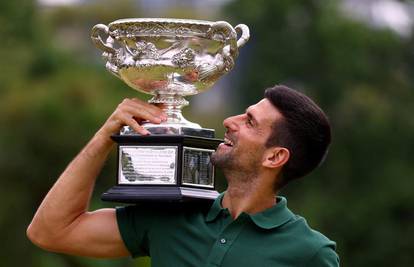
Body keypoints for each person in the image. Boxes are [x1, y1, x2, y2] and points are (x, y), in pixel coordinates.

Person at [27, 85, 340, 266]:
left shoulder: (310, 253)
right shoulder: (172, 214)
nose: (230, 121)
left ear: (275, 157)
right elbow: (50, 232)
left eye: (249, 122)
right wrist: (106, 136)